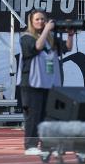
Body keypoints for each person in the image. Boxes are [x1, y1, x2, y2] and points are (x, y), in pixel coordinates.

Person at [17, 11, 74, 155]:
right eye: (37, 19)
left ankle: (47, 145)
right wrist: (47, 30)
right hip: (32, 83)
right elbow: (37, 47)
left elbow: (67, 48)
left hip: (48, 82)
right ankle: (30, 145)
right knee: (33, 115)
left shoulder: (51, 38)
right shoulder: (26, 37)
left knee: (48, 115)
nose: (40, 22)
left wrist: (70, 35)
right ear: (31, 21)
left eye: (43, 19)